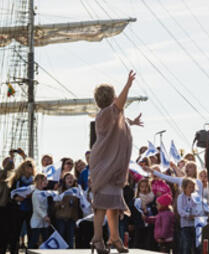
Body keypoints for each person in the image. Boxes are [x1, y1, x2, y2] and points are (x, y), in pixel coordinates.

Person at [89, 70, 143, 254]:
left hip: (112, 165)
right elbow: (118, 108)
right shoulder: (106, 114)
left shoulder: (110, 115)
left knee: (113, 204)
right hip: (105, 165)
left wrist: (132, 122)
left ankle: (114, 237)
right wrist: (127, 85)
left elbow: (120, 117)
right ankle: (97, 239)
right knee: (102, 204)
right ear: (110, 97)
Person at [54, 172, 82, 247]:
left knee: (70, 238)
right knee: (61, 237)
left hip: (71, 219)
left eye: (71, 178)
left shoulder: (77, 191)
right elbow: (55, 204)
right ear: (64, 180)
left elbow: (76, 207)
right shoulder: (60, 190)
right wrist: (60, 205)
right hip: (61, 218)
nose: (70, 180)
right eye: (68, 178)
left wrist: (76, 219)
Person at [29, 173, 51, 248]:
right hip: (37, 221)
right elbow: (37, 208)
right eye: (43, 180)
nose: (46, 182)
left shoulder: (44, 193)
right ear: (38, 181)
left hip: (44, 222)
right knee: (34, 240)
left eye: (46, 180)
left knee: (45, 240)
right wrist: (44, 216)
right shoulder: (35, 193)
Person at [177, 178, 198, 254]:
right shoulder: (181, 197)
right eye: (189, 187)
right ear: (184, 188)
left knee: (196, 245)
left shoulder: (196, 197)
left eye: (193, 187)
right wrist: (188, 215)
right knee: (186, 244)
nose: (192, 189)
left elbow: (199, 208)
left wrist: (196, 215)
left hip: (195, 225)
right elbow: (180, 210)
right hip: (185, 225)